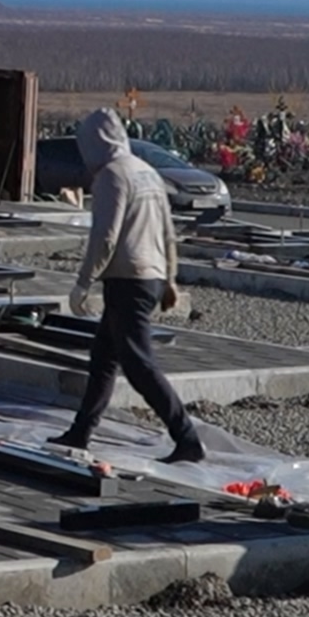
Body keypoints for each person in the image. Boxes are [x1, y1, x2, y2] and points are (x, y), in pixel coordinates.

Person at [51, 109, 204, 464]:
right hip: (148, 276)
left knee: (138, 364)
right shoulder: (147, 173)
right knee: (104, 357)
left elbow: (105, 236)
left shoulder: (112, 176)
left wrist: (83, 283)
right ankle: (81, 432)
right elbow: (168, 232)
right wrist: (169, 279)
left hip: (127, 278)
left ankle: (187, 437)